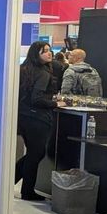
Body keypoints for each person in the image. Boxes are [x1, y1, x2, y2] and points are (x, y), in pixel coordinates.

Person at [16, 41, 66, 201]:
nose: (49, 53)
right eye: (44, 51)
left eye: (49, 50)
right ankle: (27, 191)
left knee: (33, 153)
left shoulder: (23, 70)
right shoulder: (43, 74)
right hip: (37, 119)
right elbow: (37, 99)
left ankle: (12, 183)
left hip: (23, 117)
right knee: (36, 153)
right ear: (35, 54)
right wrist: (55, 104)